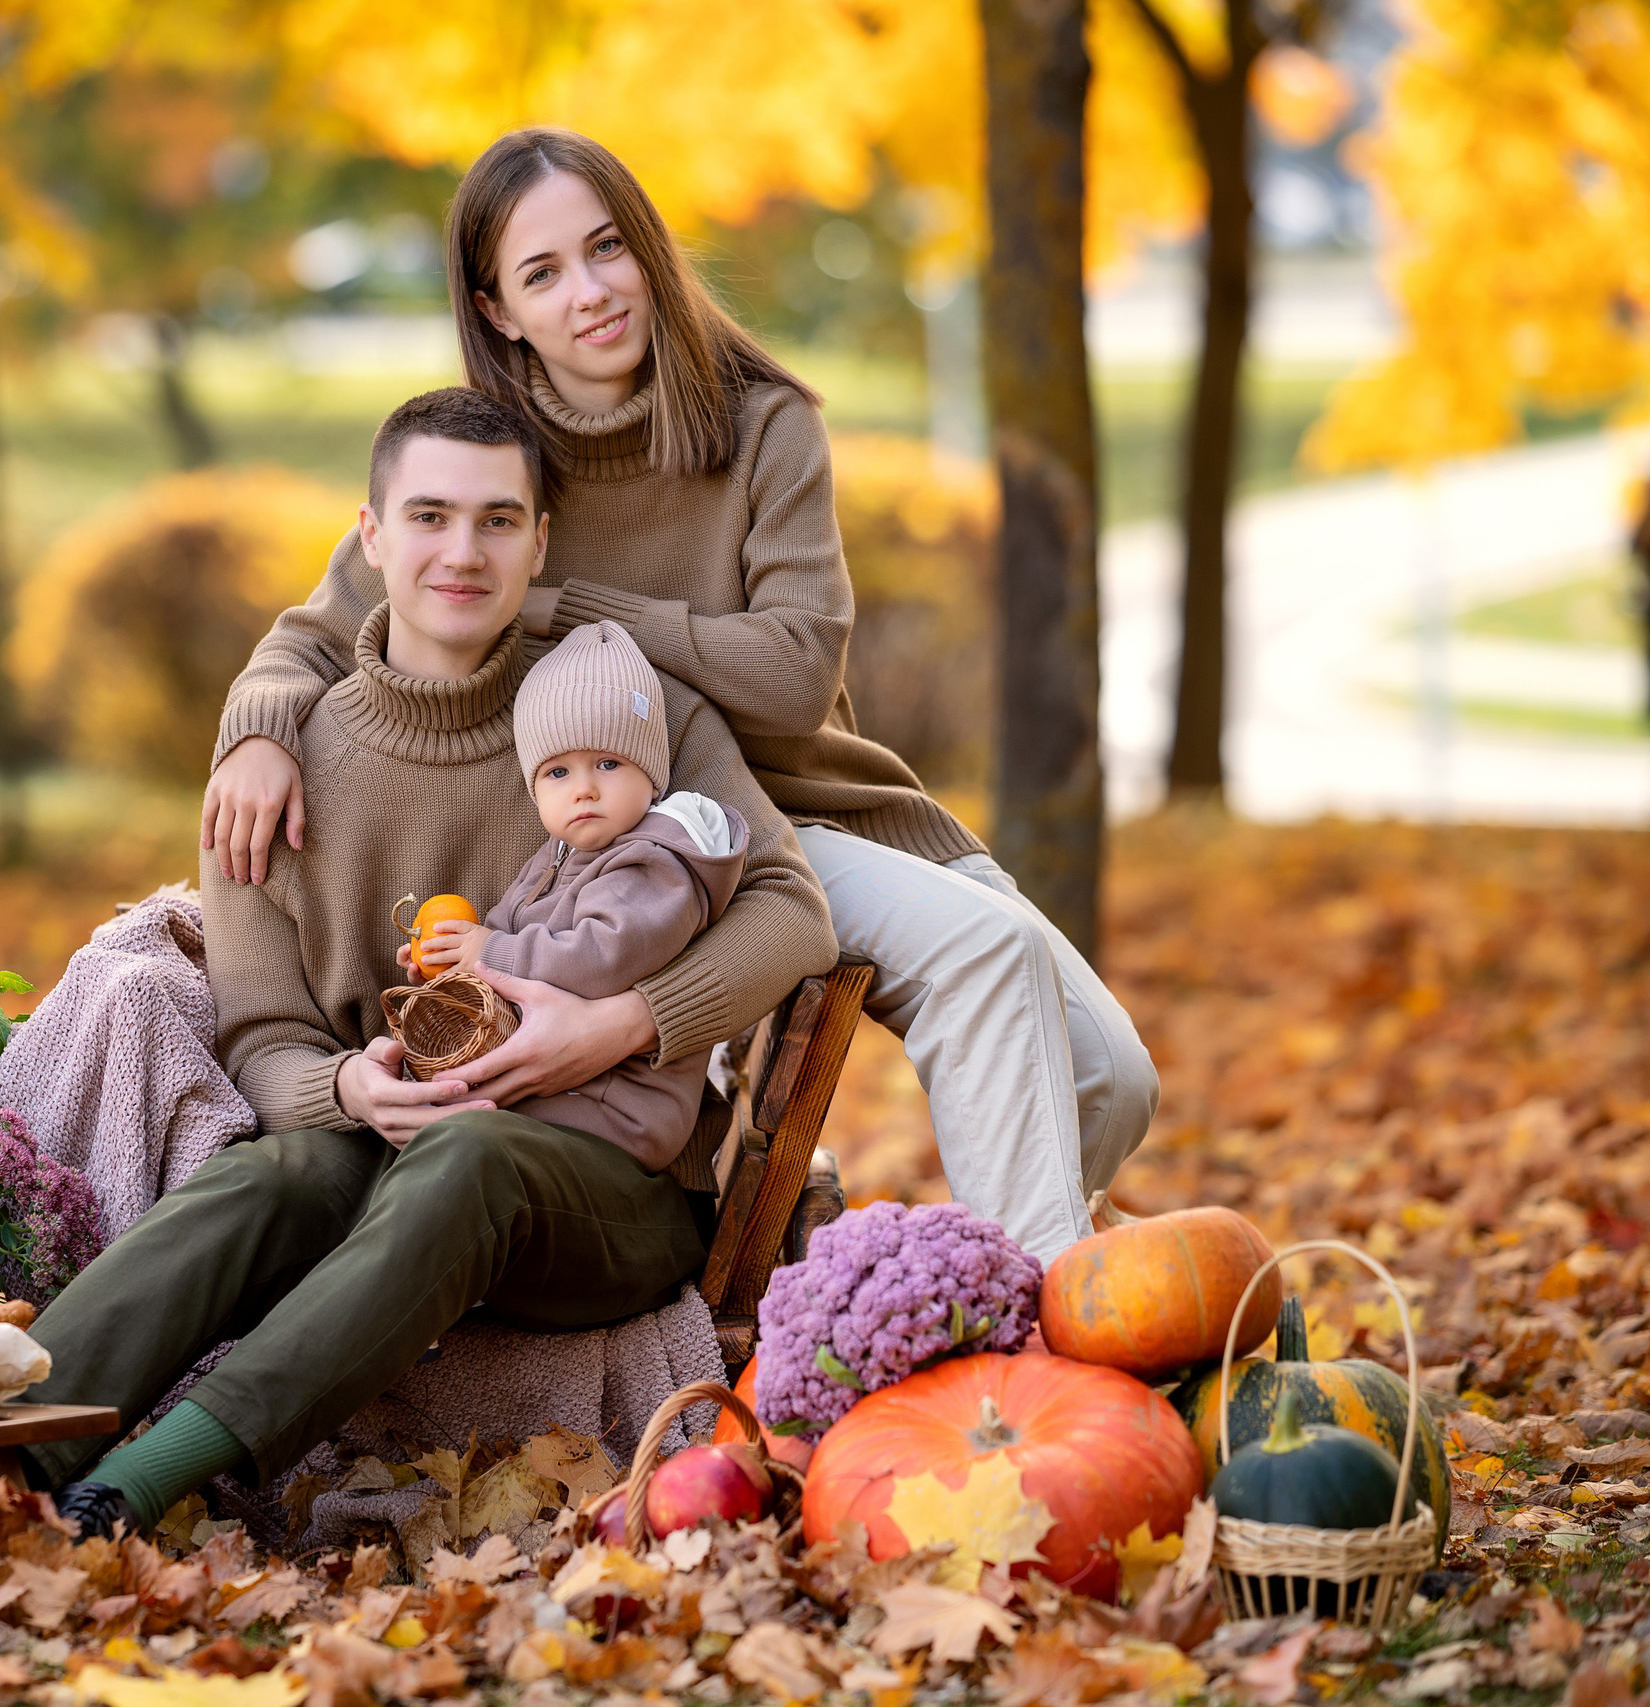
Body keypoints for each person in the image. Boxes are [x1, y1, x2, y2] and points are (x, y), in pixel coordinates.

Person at [203, 128, 1157, 1260]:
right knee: (985, 958)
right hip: (656, 836)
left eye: (607, 248)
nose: (590, 292)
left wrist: (570, 605)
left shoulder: (763, 426)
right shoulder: (492, 463)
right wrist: (255, 734)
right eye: (542, 273)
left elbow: (794, 681)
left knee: (1116, 1077)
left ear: (648, 248)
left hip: (809, 806)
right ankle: (1027, 1325)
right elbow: (314, 631)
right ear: (498, 310)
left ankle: (1020, 1274)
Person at [0, 386, 832, 1536]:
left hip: (608, 1189)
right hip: (381, 1144)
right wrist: (348, 1088)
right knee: (272, 1177)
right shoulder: (273, 767)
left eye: (499, 521)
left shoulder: (622, 713)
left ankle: (141, 1486)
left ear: (540, 543)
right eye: (430, 516)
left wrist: (623, 1022)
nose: (464, 552)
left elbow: (793, 912)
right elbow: (263, 1036)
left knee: (469, 1161)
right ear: (371, 537)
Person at [412, 620, 748, 1169]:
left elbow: (601, 958)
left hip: (616, 1107)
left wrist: (490, 954)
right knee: (429, 1126)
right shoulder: (557, 854)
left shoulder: (656, 864)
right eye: (558, 772)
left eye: (608, 764)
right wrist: (453, 961)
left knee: (449, 1139)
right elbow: (504, 928)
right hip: (563, 1087)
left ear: (652, 776)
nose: (584, 789)